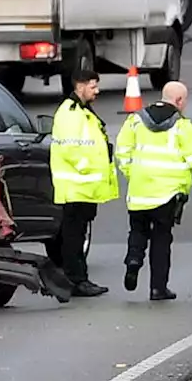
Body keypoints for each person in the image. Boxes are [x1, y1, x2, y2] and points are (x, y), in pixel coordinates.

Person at [115, 81, 192, 301]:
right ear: (179, 101)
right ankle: (158, 288)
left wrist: (132, 172)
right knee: (161, 239)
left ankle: (133, 262)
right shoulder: (182, 126)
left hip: (138, 189)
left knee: (137, 231)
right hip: (167, 193)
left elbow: (121, 151)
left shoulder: (135, 120)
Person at [49, 68, 118, 297]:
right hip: (76, 185)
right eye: (92, 86)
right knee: (73, 236)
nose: (96, 91)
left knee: (77, 235)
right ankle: (76, 280)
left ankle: (79, 278)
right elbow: (69, 148)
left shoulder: (82, 110)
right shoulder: (70, 113)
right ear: (79, 86)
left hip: (84, 186)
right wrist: (87, 169)